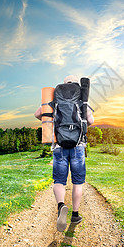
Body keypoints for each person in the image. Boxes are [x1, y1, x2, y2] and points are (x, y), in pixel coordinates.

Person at [34, 75, 94, 232]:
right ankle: (75, 214)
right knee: (77, 183)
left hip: (59, 146)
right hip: (78, 146)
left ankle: (61, 205)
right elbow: (91, 121)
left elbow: (37, 114)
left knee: (59, 181)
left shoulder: (55, 98)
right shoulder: (82, 100)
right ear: (76, 86)